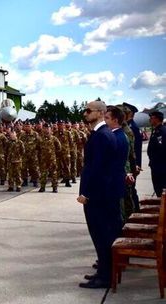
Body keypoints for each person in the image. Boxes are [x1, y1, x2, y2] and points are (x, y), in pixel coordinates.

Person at [77, 100, 122, 289]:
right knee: (101, 235)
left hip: (99, 197)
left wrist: (87, 193)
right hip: (101, 195)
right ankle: (103, 271)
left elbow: (97, 170)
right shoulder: (100, 134)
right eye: (85, 110)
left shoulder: (102, 136)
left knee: (102, 234)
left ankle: (105, 276)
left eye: (89, 111)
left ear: (101, 113)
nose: (85, 113)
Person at [104, 106, 131, 220]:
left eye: (107, 118)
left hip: (113, 182)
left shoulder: (116, 137)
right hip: (115, 180)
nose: (104, 121)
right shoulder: (118, 135)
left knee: (116, 215)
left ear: (115, 120)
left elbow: (111, 163)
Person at [148, 111, 166, 197]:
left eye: (151, 118)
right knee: (158, 190)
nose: (150, 120)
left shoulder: (162, 131)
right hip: (156, 166)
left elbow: (162, 150)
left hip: (161, 167)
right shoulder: (156, 131)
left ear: (157, 119)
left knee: (162, 190)